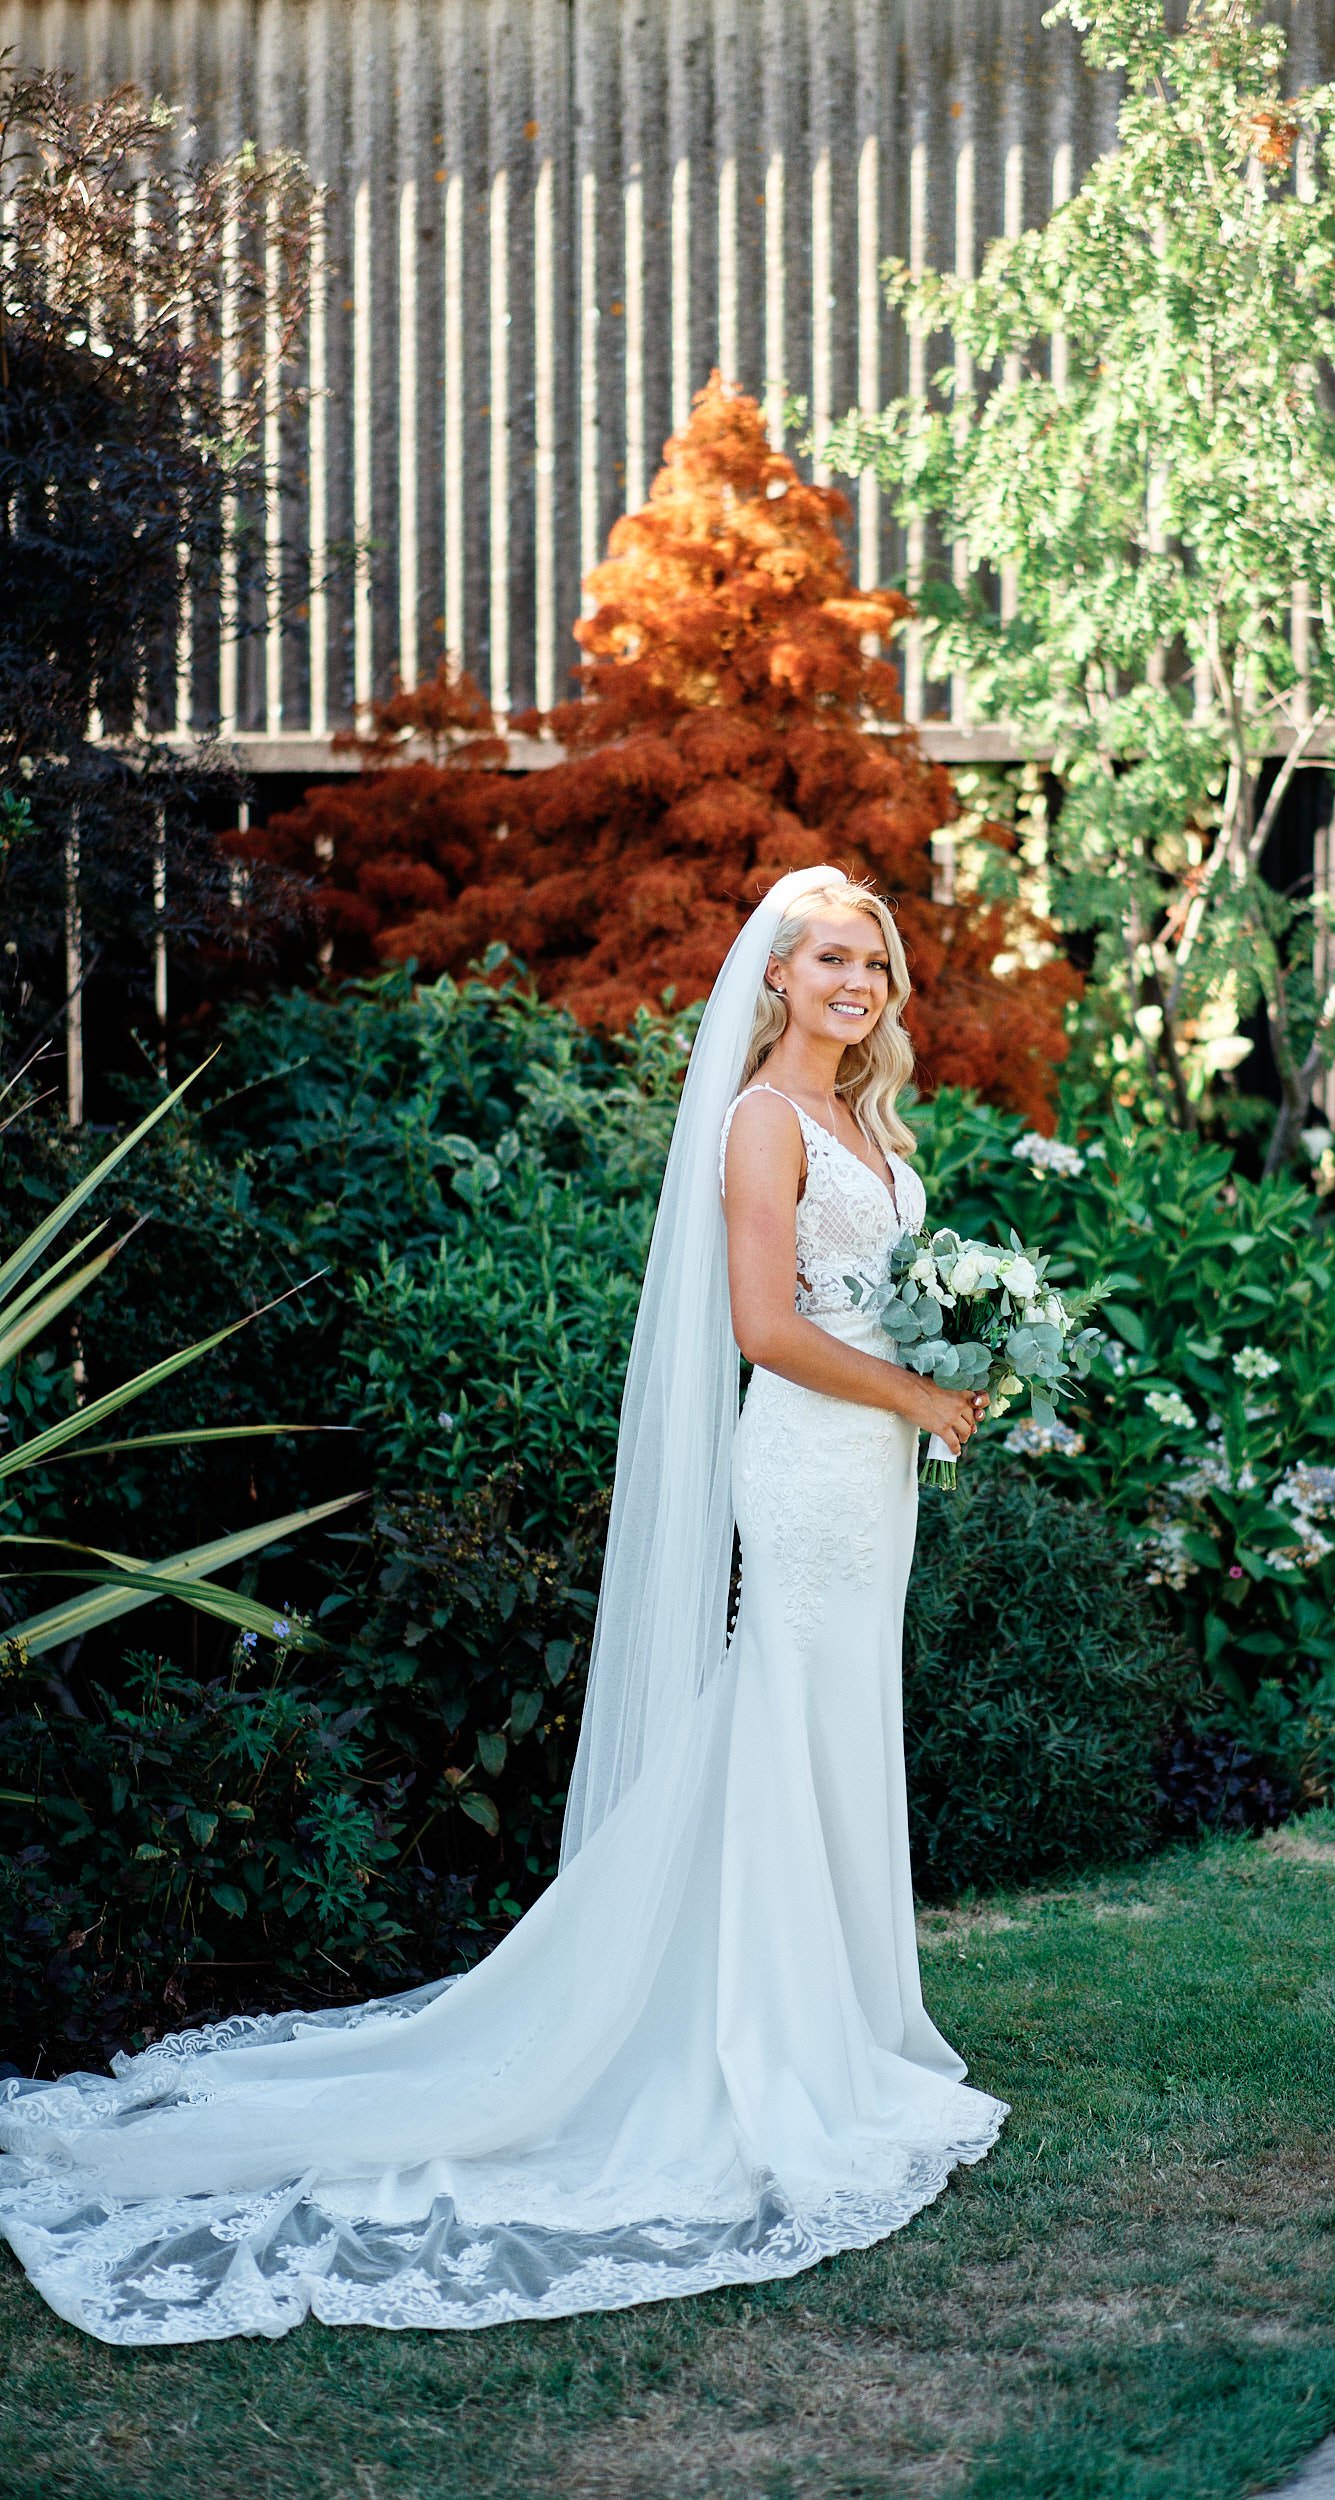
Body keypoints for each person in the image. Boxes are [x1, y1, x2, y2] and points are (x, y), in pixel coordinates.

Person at [0, 864, 1006, 2343]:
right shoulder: (761, 1123)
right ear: (780, 978)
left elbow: (876, 1291)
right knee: (782, 1719)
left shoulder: (871, 1117)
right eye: (834, 960)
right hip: (804, 1470)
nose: (861, 982)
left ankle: (844, 2022)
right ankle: (767, 2045)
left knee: (836, 1724)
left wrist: (957, 1368)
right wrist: (922, 1390)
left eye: (877, 961)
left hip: (879, 1481)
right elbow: (768, 1329)